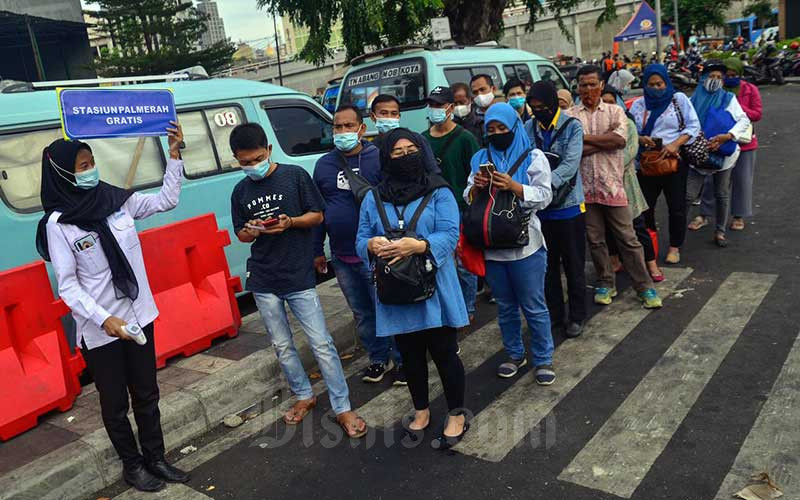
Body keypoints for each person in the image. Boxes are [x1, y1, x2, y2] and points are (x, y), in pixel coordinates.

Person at [37, 124, 190, 492]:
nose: (90, 170)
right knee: (115, 402)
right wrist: (103, 318)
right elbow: (69, 285)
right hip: (101, 328)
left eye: (91, 162)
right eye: (81, 166)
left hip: (140, 315)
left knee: (147, 393)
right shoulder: (59, 225)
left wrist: (174, 154)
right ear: (62, 174)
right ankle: (133, 464)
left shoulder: (117, 200)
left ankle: (156, 457)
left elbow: (166, 200)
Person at [229, 123, 368, 438]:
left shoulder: (294, 177)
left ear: (269, 150)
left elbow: (317, 215)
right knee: (281, 344)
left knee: (321, 342)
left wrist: (289, 222)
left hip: (297, 273)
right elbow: (240, 233)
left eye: (256, 158)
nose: (252, 166)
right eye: (244, 162)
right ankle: (304, 394)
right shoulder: (240, 190)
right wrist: (252, 230)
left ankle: (342, 406)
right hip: (263, 276)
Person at [356, 128, 469, 449]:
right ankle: (421, 410)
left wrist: (417, 245)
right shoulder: (373, 197)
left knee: (445, 353)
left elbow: (450, 233)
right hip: (395, 289)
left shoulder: (440, 191)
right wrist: (371, 244)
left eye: (411, 150)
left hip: (434, 287)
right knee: (410, 356)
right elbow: (360, 237)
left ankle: (457, 414)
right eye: (397, 152)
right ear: (385, 157)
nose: (406, 157)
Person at [464, 102, 556, 384]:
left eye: (502, 128)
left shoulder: (534, 156)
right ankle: (515, 354)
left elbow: (545, 196)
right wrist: (477, 186)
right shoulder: (480, 157)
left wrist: (515, 187)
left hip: (526, 246)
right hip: (492, 246)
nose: (496, 133)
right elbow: (467, 195)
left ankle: (544, 359)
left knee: (534, 305)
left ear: (514, 127)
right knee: (505, 307)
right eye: (491, 129)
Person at [313, 104, 405, 385]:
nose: (342, 132)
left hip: (378, 253)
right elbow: (319, 210)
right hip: (343, 256)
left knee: (389, 307)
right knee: (362, 313)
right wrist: (318, 249)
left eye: (348, 126)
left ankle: (403, 360)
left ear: (362, 129)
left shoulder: (379, 158)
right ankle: (378, 358)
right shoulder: (324, 165)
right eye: (337, 127)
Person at [568, 65, 663, 308]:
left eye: (592, 84)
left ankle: (645, 287)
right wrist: (603, 141)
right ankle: (605, 282)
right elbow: (571, 150)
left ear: (601, 85)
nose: (587, 89)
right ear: (577, 87)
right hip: (585, 190)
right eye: (583, 85)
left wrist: (584, 140)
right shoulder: (570, 116)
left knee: (628, 238)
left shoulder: (615, 112)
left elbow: (619, 140)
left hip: (613, 186)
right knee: (596, 240)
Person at [524, 81, 587, 339]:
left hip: (568, 207)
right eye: (534, 108)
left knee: (573, 265)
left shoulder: (572, 127)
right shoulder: (529, 128)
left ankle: (577, 316)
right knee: (546, 267)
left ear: (553, 104)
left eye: (543, 107)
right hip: (541, 212)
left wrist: (543, 186)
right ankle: (555, 314)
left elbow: (571, 164)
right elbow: (524, 158)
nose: (539, 112)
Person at [629, 64, 700, 265]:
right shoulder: (638, 105)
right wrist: (642, 140)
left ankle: (674, 247)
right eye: (651, 84)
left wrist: (675, 144)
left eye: (659, 84)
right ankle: (650, 246)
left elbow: (693, 125)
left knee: (676, 207)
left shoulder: (679, 100)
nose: (656, 88)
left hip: (673, 163)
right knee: (645, 209)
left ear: (666, 82)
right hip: (647, 164)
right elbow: (631, 131)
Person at [422, 86, 480, 322]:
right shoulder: (423, 139)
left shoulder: (465, 138)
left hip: (460, 208)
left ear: (450, 108)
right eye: (431, 105)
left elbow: (475, 174)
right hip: (432, 209)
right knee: (440, 261)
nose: (435, 109)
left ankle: (468, 307)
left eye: (439, 104)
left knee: (463, 261)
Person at [601, 86, 663, 283]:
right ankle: (614, 261)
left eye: (611, 101)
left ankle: (651, 263)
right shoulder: (595, 126)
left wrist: (602, 163)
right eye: (604, 102)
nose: (608, 106)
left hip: (625, 185)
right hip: (602, 187)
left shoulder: (627, 124)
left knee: (637, 227)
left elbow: (628, 154)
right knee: (607, 227)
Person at [686, 61, 752, 247]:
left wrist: (727, 136)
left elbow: (743, 120)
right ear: (702, 78)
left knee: (722, 193)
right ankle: (678, 234)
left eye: (719, 77)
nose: (715, 80)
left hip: (723, 154)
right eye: (711, 76)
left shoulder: (728, 98)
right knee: (689, 196)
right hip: (697, 154)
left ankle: (720, 232)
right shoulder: (692, 101)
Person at [698, 58, 762, 232]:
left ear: (740, 74)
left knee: (742, 180)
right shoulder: (719, 91)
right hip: (718, 142)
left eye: (735, 75)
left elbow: (757, 114)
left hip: (744, 143)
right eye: (728, 75)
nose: (730, 78)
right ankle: (704, 214)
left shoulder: (750, 90)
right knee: (712, 179)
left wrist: (737, 110)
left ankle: (738, 216)